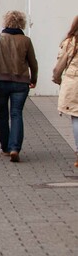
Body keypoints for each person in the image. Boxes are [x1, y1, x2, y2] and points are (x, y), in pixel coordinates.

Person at [0, 11, 38, 163]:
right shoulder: (26, 41)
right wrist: (33, 79)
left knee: (2, 114)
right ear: (21, 23)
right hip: (21, 82)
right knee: (16, 114)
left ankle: (5, 147)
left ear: (6, 22)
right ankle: (15, 147)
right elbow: (33, 63)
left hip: (1, 81)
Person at [52, 16, 78, 167]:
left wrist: (57, 78)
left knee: (76, 116)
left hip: (74, 82)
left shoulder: (70, 43)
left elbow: (59, 66)